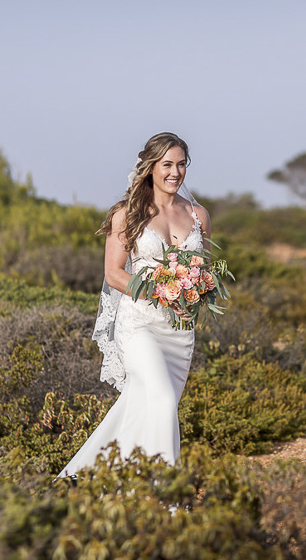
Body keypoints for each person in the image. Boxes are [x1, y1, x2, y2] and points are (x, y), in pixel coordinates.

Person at [57, 132, 211, 478]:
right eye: (167, 164)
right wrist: (161, 292)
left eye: (181, 164)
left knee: (143, 409)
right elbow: (113, 274)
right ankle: (166, 495)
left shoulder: (199, 215)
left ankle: (95, 479)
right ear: (151, 168)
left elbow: (203, 270)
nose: (175, 172)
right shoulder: (128, 214)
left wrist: (195, 293)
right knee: (163, 401)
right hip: (139, 325)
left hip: (179, 333)